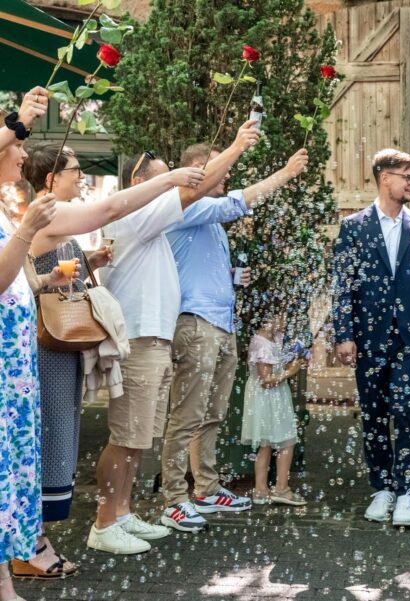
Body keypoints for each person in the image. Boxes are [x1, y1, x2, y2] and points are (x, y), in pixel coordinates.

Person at [11, 141, 203, 575]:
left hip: (62, 349)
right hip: (47, 350)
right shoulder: (48, 213)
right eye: (75, 170)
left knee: (57, 439)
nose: (81, 177)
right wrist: (171, 179)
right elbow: (109, 210)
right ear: (50, 178)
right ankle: (29, 548)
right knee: (48, 441)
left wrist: (89, 259)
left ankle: (35, 542)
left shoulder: (55, 220)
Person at [88, 121, 259, 555]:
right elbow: (191, 193)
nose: (177, 184)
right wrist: (238, 145)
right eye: (165, 176)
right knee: (126, 435)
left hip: (158, 339)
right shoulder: (136, 213)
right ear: (139, 183)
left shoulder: (153, 223)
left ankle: (123, 514)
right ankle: (106, 520)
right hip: (141, 339)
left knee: (139, 436)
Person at [160, 141, 309, 532]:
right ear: (197, 168)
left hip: (222, 326)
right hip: (195, 325)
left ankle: (206, 488)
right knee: (187, 414)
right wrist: (286, 173)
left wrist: (230, 278)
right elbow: (239, 201)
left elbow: (193, 266)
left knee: (212, 414)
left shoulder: (210, 223)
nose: (226, 177)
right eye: (220, 169)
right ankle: (174, 498)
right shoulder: (185, 204)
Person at [331, 148, 410, 527]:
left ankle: (407, 491)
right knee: (374, 414)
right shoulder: (354, 227)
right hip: (369, 339)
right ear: (386, 178)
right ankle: (381, 486)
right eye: (407, 177)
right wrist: (344, 334)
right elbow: (343, 286)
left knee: (405, 410)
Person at [0, 93, 75, 601]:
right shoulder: (16, 219)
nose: (23, 153)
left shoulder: (5, 213)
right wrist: (20, 118)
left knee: (7, 480)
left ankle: (4, 581)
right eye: (14, 146)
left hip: (14, 375)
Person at [241, 312, 307, 507]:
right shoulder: (262, 343)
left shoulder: (274, 339)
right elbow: (266, 381)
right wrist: (291, 371)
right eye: (281, 316)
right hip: (270, 398)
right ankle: (281, 488)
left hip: (272, 397)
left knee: (267, 443)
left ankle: (261, 491)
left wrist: (295, 357)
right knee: (286, 440)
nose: (285, 320)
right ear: (268, 319)